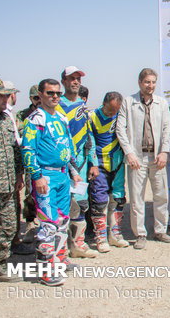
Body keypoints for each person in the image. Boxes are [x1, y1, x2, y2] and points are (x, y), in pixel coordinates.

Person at [22, 78, 82, 286]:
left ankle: (61, 259)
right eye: (50, 93)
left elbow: (69, 146)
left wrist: (74, 171)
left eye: (57, 93)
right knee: (48, 223)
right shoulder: (35, 120)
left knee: (63, 220)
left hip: (63, 176)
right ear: (40, 95)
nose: (55, 96)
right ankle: (45, 270)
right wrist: (36, 176)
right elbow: (28, 150)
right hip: (45, 176)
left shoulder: (61, 118)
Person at [116, 68, 170, 249]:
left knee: (161, 196)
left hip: (157, 157)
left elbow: (167, 128)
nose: (150, 86)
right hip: (137, 159)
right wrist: (129, 153)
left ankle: (160, 230)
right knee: (137, 198)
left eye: (153, 82)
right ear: (140, 83)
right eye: (147, 82)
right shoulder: (128, 102)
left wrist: (164, 151)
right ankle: (140, 234)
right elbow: (120, 129)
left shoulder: (162, 103)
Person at [55, 66, 99, 258]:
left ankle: (78, 245)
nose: (75, 82)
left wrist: (93, 162)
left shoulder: (82, 106)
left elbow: (89, 135)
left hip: (80, 164)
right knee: (60, 206)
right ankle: (60, 247)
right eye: (71, 78)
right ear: (63, 81)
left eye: (78, 79)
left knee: (81, 204)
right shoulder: (56, 106)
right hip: (61, 165)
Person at [0, 77, 23, 288]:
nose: (5, 99)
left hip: (8, 187)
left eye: (5, 95)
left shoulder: (6, 120)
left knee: (7, 229)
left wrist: (18, 175)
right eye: (0, 95)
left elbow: (15, 151)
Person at [87, 92, 129, 252]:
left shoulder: (121, 115)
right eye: (110, 110)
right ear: (103, 103)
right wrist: (93, 163)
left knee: (118, 199)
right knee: (100, 201)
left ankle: (115, 234)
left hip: (117, 163)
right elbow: (89, 142)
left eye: (116, 110)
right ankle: (101, 237)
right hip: (100, 164)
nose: (113, 113)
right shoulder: (92, 117)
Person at [1, 82, 33, 256]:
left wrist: (20, 172)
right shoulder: (9, 115)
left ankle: (12, 243)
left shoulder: (9, 116)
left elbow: (16, 146)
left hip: (11, 172)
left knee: (12, 210)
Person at [15, 84, 40, 244]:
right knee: (30, 194)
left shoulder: (52, 113)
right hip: (31, 161)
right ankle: (30, 224)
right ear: (31, 98)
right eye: (35, 98)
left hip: (47, 161)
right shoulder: (24, 115)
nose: (38, 101)